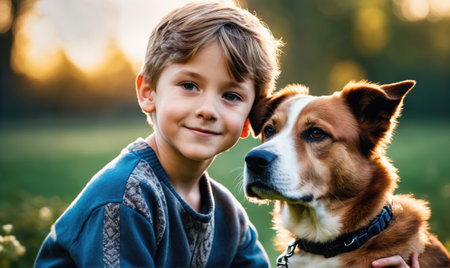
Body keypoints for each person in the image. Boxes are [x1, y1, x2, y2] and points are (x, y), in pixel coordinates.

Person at [34, 1, 419, 267]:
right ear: (147, 93)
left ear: (249, 116)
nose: (207, 108)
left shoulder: (227, 215)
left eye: (231, 95)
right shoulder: (122, 202)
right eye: (189, 85)